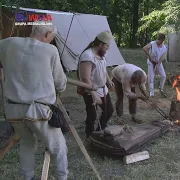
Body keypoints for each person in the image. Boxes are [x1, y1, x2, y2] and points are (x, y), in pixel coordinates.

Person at [0, 23, 68, 179]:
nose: (51, 42)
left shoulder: (7, 43)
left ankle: (28, 177)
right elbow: (60, 83)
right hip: (39, 110)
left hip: (13, 109)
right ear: (47, 33)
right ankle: (62, 177)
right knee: (58, 147)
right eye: (52, 38)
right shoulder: (50, 50)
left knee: (27, 143)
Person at [77, 31, 114, 138]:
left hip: (102, 88)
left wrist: (108, 80)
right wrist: (93, 93)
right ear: (100, 44)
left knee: (108, 111)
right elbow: (85, 78)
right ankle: (89, 135)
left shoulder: (101, 54)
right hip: (90, 90)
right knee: (92, 115)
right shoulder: (88, 56)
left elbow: (103, 69)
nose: (108, 48)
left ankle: (99, 130)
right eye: (107, 46)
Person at [142, 32, 167, 97]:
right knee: (151, 78)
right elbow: (144, 48)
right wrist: (150, 56)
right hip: (151, 63)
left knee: (163, 76)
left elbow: (162, 58)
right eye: (159, 41)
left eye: (161, 41)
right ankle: (151, 93)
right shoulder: (152, 44)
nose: (160, 42)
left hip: (158, 63)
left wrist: (157, 66)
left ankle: (161, 88)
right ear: (158, 39)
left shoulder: (164, 47)